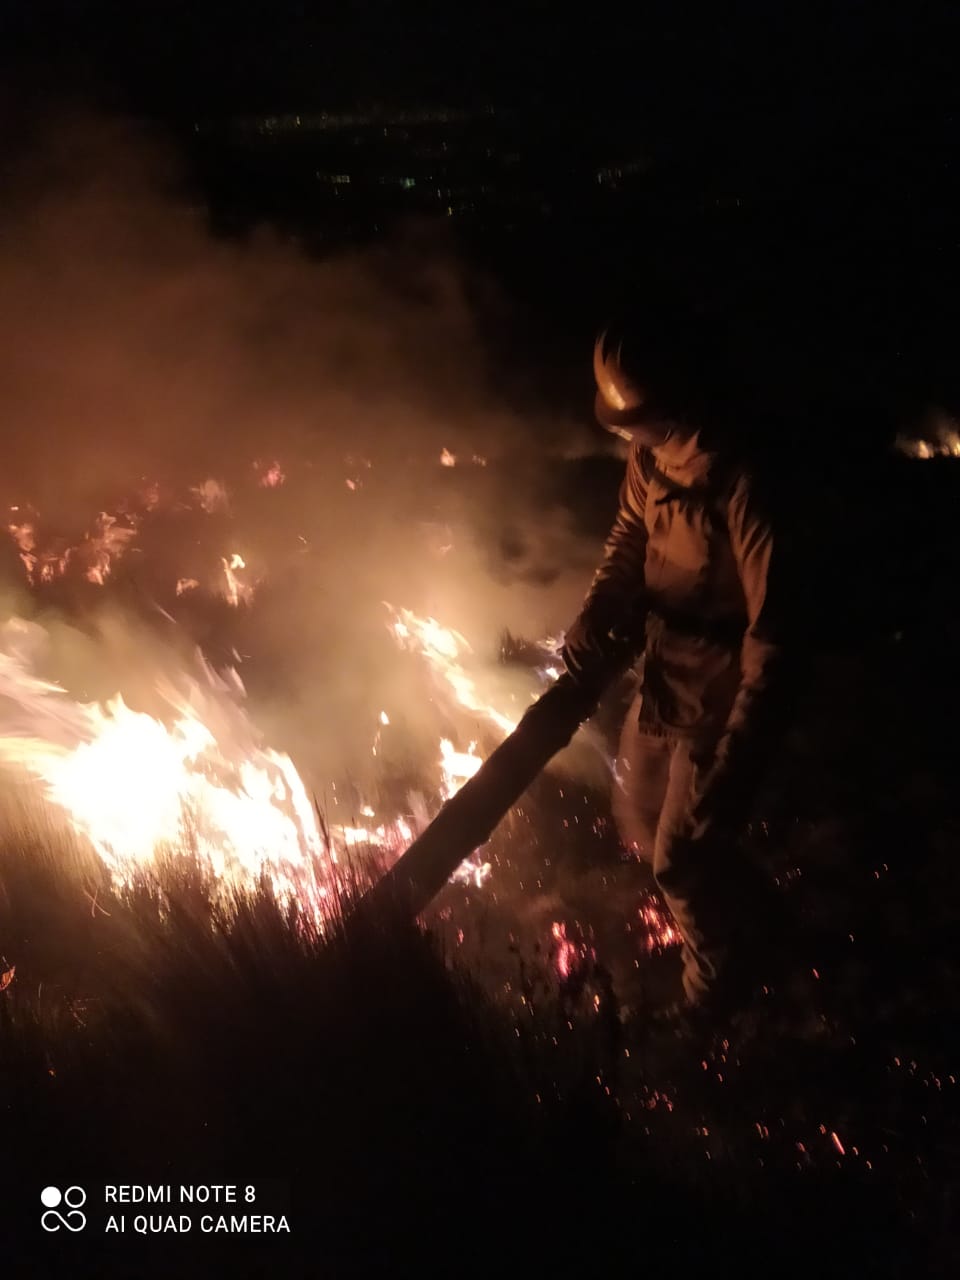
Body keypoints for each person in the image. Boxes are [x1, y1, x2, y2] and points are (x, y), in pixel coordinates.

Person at [563, 318, 795, 1024]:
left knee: (681, 861)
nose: (630, 434)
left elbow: (776, 637)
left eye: (638, 420)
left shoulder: (742, 480)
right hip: (664, 677)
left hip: (718, 694)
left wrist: (736, 761)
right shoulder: (651, 458)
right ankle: (754, 913)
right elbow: (629, 534)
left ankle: (712, 1000)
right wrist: (597, 607)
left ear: (676, 403)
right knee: (636, 812)